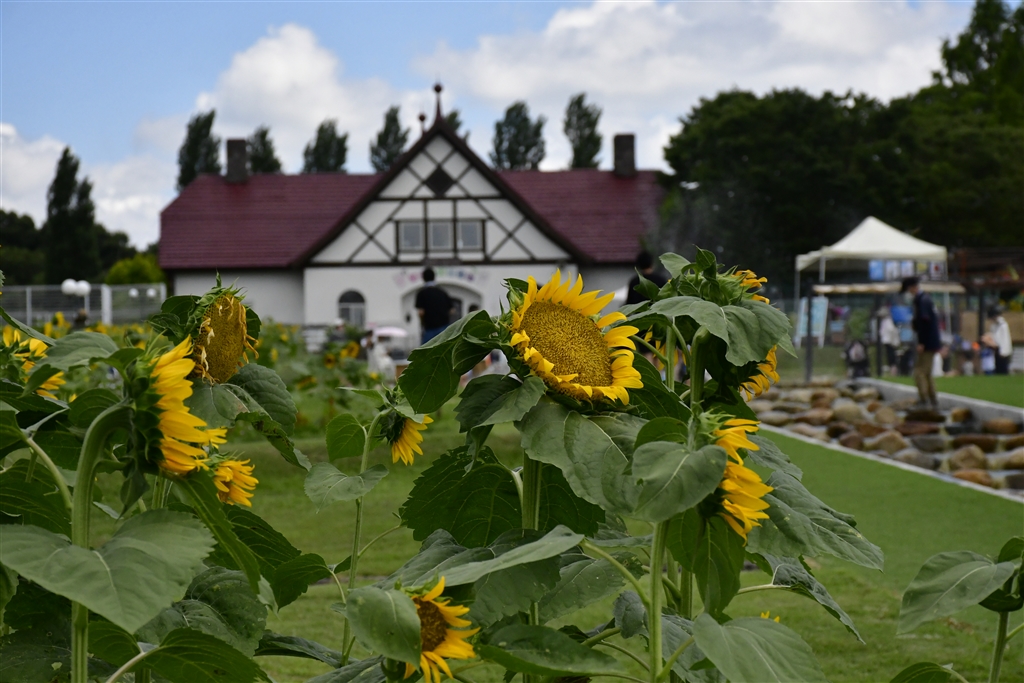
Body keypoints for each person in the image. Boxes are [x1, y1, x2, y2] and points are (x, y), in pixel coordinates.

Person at [902, 277, 941, 407]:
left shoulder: (922, 301)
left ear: (912, 287)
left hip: (927, 342)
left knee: (919, 371)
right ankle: (932, 399)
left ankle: (924, 399)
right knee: (927, 372)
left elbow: (924, 322)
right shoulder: (925, 299)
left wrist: (921, 342)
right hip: (931, 341)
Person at [415, 267, 454, 345]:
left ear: (423, 278)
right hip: (443, 327)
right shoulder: (442, 292)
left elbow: (421, 312)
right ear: (434, 277)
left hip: (429, 327)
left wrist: (422, 323)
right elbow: (452, 310)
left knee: (426, 349)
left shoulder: (422, 293)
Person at [988, 306, 1012, 375]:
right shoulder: (994, 325)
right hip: (996, 350)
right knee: (998, 370)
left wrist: (1003, 352)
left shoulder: (1003, 325)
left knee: (1003, 370)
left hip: (1003, 352)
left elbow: (1005, 340)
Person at [877, 307, 900, 375]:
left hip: (889, 342)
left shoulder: (888, 321)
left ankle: (893, 371)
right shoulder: (884, 321)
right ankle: (892, 370)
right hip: (887, 341)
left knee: (891, 357)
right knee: (889, 356)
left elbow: (891, 331)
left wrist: (891, 340)